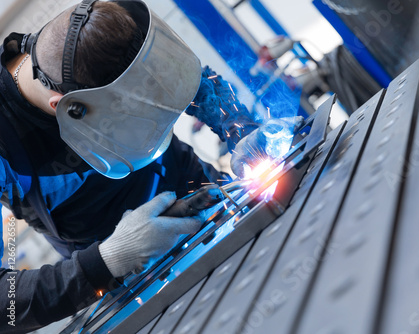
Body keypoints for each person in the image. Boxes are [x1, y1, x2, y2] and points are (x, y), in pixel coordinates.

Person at [0, 0, 268, 332]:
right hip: (132, 276)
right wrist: (111, 258)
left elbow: (190, 80)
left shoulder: (97, 40)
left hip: (211, 199)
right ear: (64, 109)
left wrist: (235, 127)